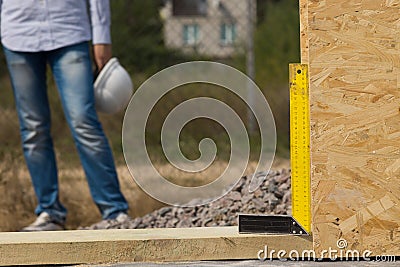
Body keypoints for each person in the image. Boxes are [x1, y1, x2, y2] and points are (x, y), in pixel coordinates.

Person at [0, 0, 130, 231]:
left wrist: (102, 37)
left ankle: (114, 211)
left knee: (83, 121)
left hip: (69, 30)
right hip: (17, 31)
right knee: (33, 128)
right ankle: (50, 213)